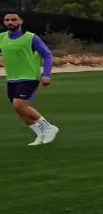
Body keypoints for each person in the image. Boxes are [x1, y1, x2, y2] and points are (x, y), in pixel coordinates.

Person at [0, 11, 59, 145]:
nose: (10, 22)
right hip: (12, 79)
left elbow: (47, 55)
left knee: (19, 105)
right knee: (19, 109)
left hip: (29, 77)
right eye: (7, 20)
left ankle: (49, 128)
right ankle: (40, 133)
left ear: (20, 21)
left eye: (14, 19)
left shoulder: (31, 38)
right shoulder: (2, 38)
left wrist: (46, 74)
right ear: (4, 23)